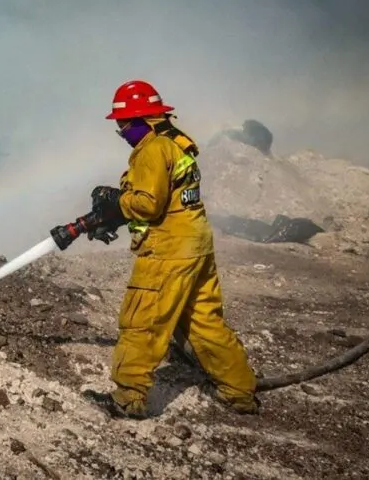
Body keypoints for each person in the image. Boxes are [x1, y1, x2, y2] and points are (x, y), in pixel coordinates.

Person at [82, 80, 260, 418]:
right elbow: (172, 198)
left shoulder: (151, 149)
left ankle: (128, 399)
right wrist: (117, 216)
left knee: (143, 321)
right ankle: (239, 392)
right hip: (196, 242)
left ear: (142, 120)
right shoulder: (177, 142)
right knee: (203, 321)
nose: (120, 131)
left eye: (123, 123)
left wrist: (116, 200)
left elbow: (149, 205)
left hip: (168, 251)